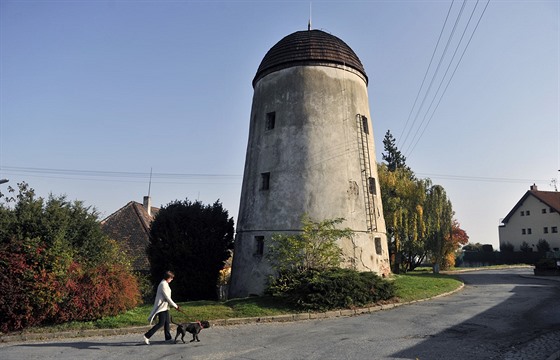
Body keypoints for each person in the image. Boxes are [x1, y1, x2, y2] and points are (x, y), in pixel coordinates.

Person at [143, 271, 180, 345]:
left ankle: (168, 338)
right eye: (171, 278)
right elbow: (168, 298)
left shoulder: (165, 283)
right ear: (168, 277)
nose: (172, 279)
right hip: (161, 307)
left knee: (167, 322)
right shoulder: (163, 284)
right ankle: (147, 336)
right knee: (161, 323)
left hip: (165, 306)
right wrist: (176, 306)